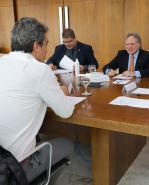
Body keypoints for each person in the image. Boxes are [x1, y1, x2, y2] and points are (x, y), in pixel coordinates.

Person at [0, 17, 75, 182]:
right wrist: (62, 93)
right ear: (36, 46)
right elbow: (66, 111)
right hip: (12, 169)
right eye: (46, 43)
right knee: (67, 143)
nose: (48, 50)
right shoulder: (39, 69)